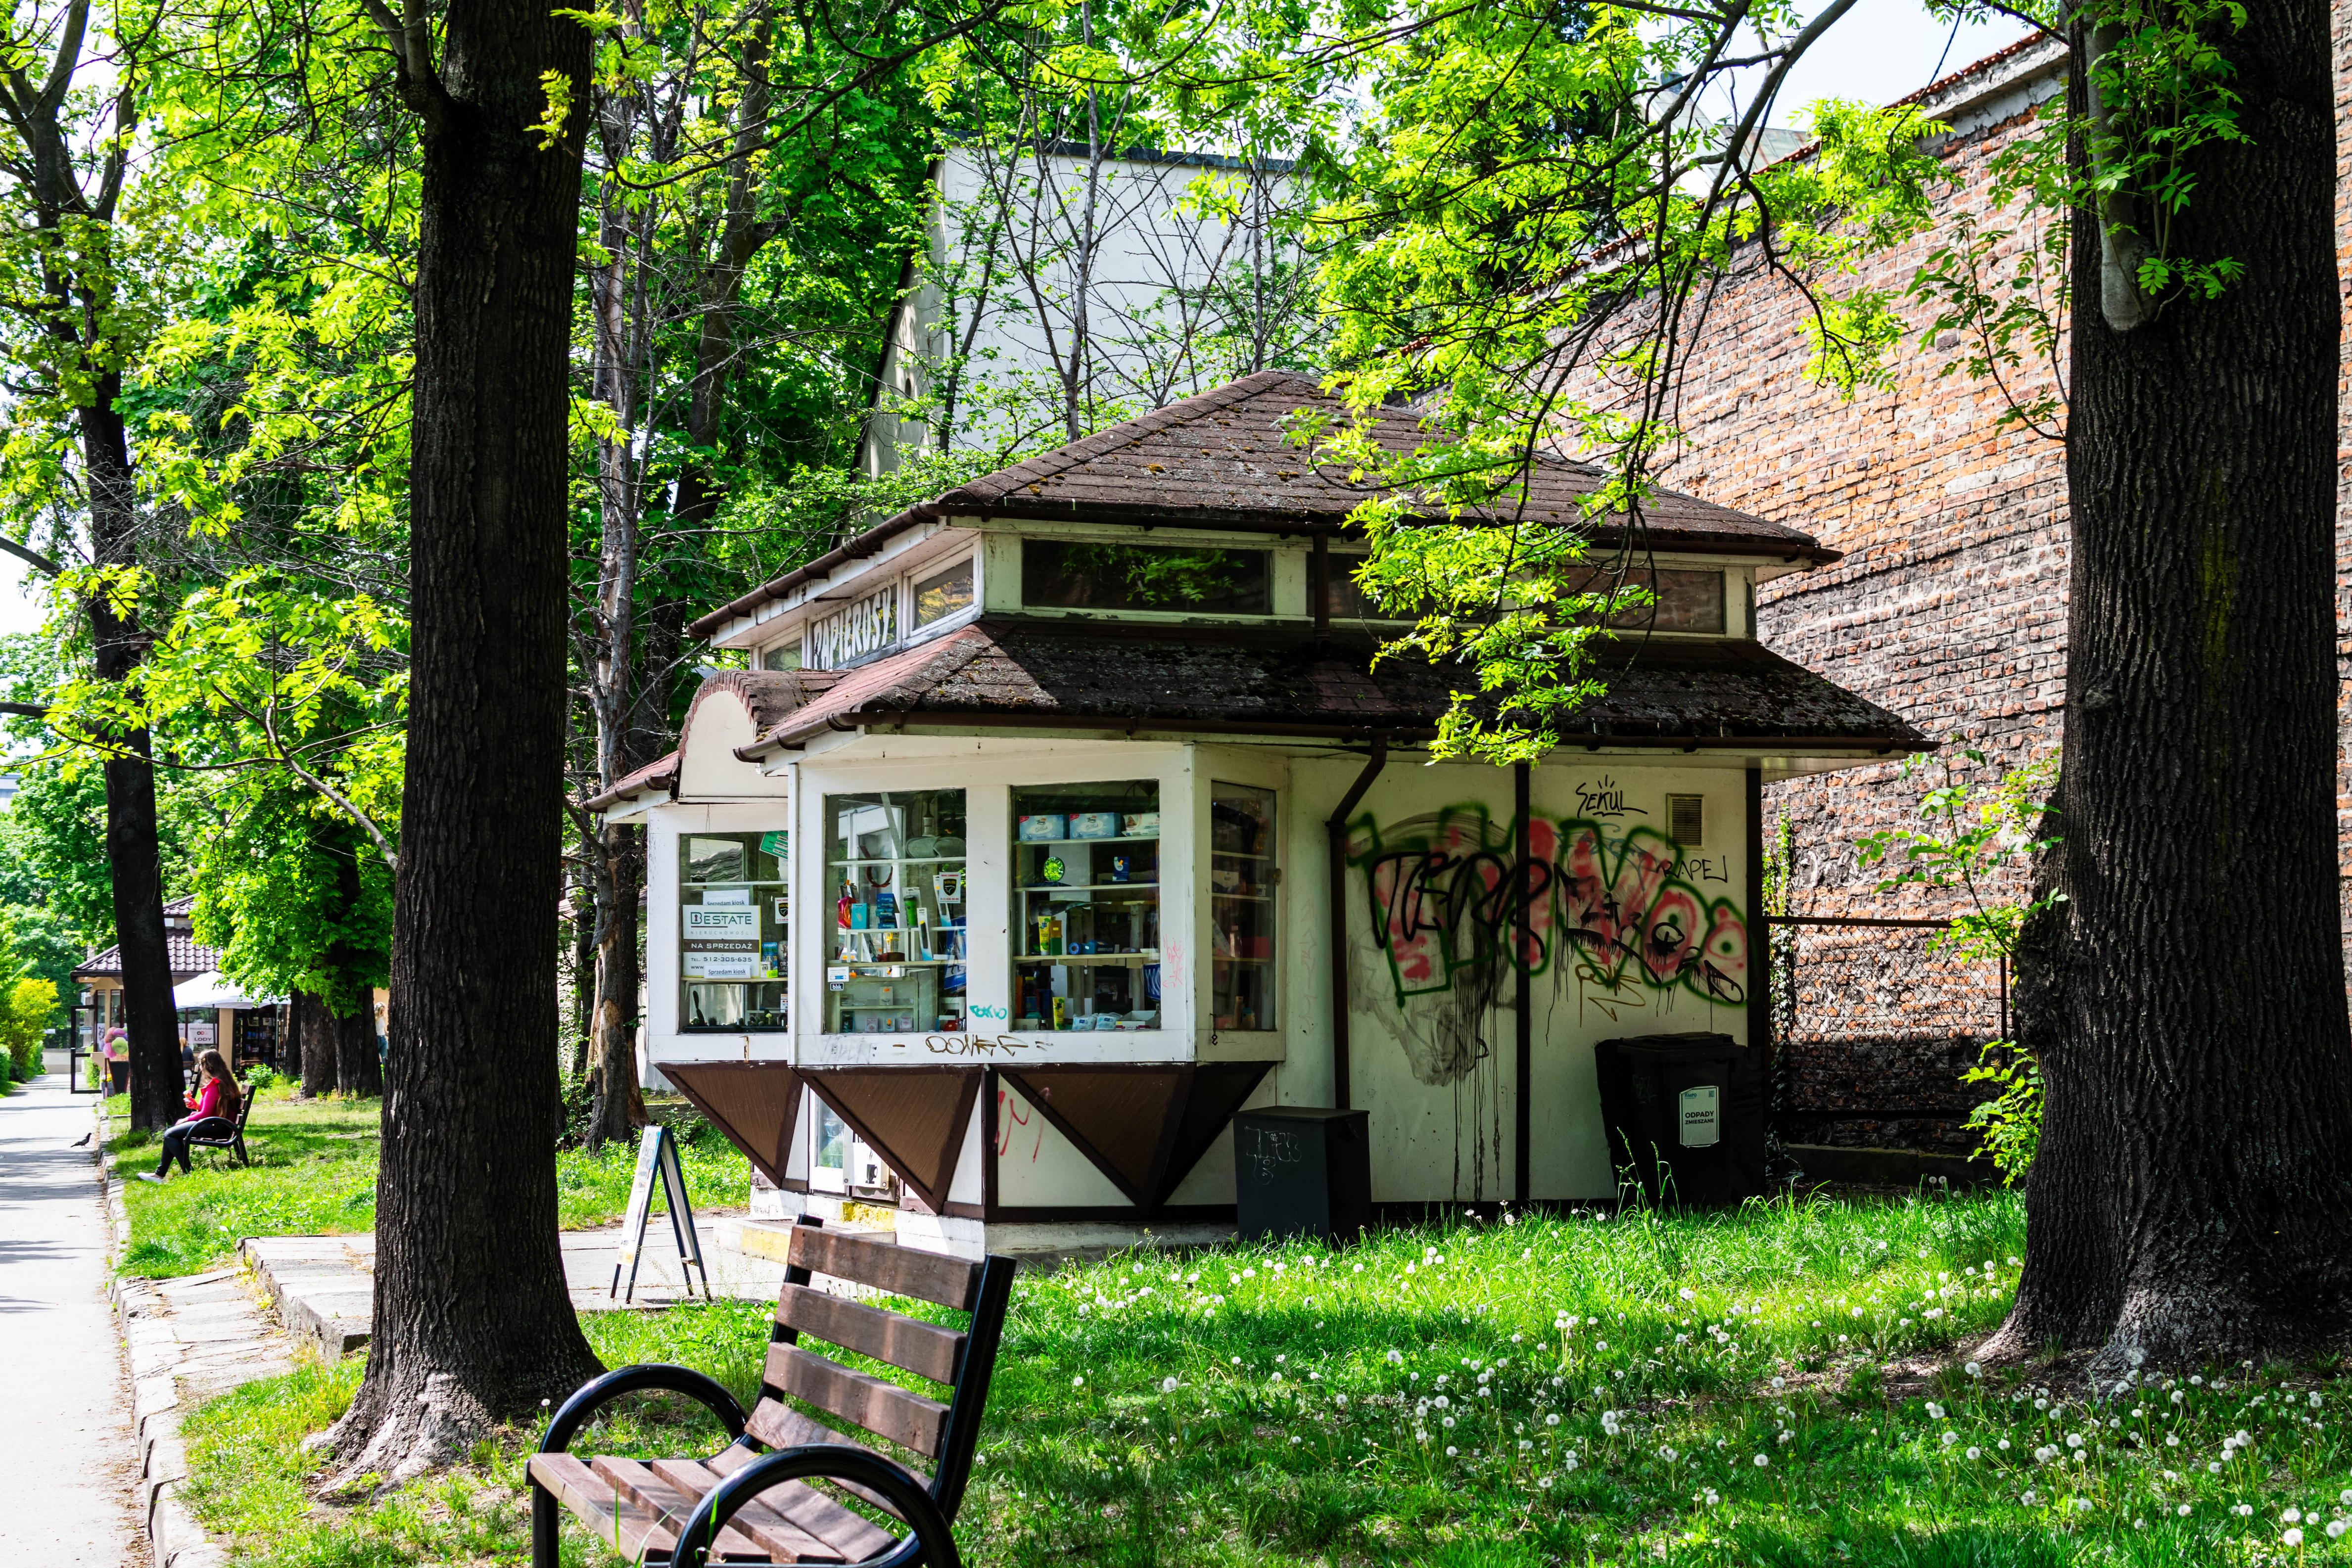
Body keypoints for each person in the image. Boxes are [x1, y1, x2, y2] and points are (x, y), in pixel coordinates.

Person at [139, 1049, 242, 1183]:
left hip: (216, 1126)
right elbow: (211, 1110)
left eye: (200, 1064)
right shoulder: (224, 1082)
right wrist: (196, 1107)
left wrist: (185, 1120)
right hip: (221, 1126)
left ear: (205, 1066)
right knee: (171, 1134)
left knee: (169, 1134)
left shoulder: (214, 1085)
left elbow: (205, 1114)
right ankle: (160, 1174)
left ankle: (185, 1173)